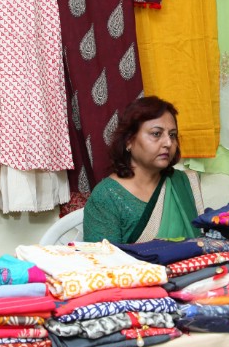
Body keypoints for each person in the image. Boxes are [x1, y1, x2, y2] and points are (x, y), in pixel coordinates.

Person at [83, 96, 202, 243]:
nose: (168, 142)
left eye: (172, 135)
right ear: (129, 141)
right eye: (156, 134)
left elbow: (201, 244)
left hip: (192, 265)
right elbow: (103, 262)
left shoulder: (183, 183)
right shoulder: (108, 196)